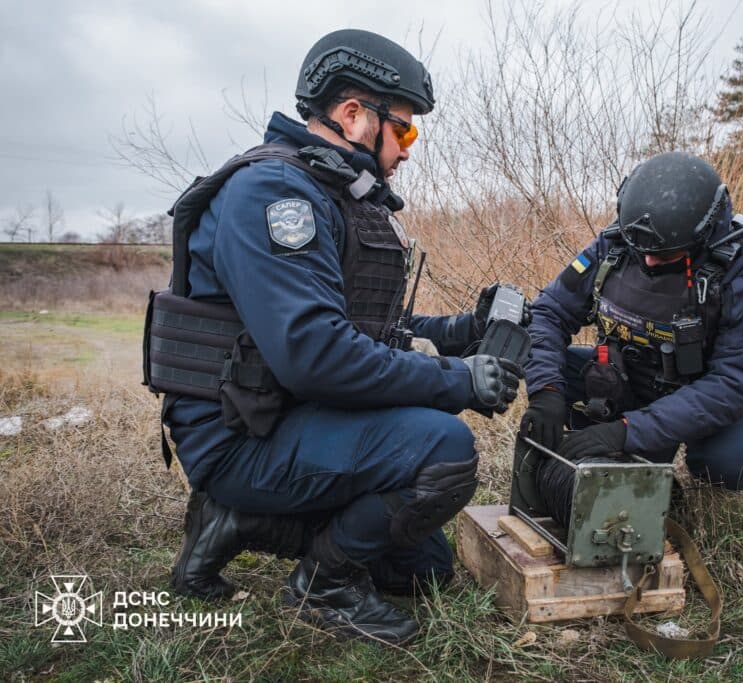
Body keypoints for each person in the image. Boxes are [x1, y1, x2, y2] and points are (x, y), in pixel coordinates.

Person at [147, 29, 526, 646]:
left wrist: (466, 333)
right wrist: (458, 382)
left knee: (423, 569)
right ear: (353, 115)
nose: (407, 149)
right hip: (240, 436)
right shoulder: (273, 193)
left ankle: (237, 522)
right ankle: (322, 586)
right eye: (403, 130)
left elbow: (368, 333)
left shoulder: (336, 196)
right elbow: (316, 354)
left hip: (291, 418)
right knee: (444, 450)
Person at [518, 152, 743, 491]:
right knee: (544, 365)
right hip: (631, 373)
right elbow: (549, 312)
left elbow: (733, 383)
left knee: (727, 462)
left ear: (701, 236)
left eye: (665, 254)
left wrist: (627, 431)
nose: (648, 259)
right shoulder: (620, 242)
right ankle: (604, 437)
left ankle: (682, 453)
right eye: (639, 248)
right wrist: (547, 392)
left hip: (705, 391)